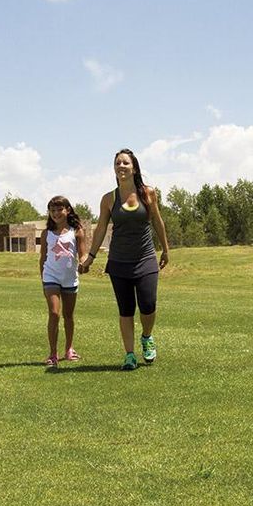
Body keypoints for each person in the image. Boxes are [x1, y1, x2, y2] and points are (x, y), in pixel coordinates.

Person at [80, 148, 170, 370]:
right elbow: (101, 228)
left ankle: (147, 337)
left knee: (148, 305)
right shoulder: (108, 199)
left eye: (125, 163)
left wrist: (166, 250)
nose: (121, 166)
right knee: (126, 309)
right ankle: (129, 355)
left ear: (134, 168)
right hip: (119, 261)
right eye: (117, 163)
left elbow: (157, 222)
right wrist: (90, 257)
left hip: (145, 258)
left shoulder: (148, 193)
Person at [39, 196, 87, 368]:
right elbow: (43, 257)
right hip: (50, 277)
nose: (56, 213)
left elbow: (82, 254)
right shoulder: (46, 233)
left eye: (59, 209)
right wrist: (43, 278)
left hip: (70, 278)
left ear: (68, 210)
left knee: (68, 315)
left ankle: (69, 349)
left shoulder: (77, 231)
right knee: (54, 313)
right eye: (52, 210)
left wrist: (84, 263)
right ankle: (53, 354)